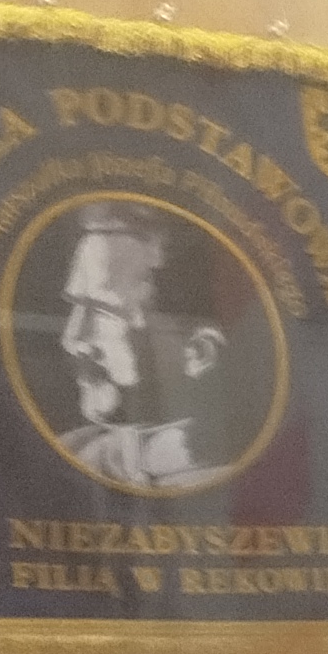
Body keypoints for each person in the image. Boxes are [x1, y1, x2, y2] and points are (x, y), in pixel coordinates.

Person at [47, 199, 250, 495]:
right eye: (77, 305)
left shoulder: (242, 486)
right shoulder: (72, 452)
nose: (72, 338)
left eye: (102, 311)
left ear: (199, 352)